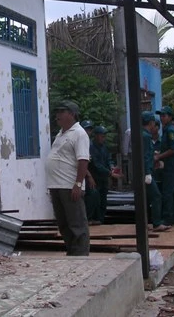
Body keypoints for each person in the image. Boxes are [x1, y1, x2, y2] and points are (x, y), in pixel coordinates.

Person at [45, 100, 90, 256]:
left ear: (71, 114)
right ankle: (71, 251)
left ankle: (81, 254)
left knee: (76, 222)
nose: (57, 115)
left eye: (61, 112)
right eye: (57, 112)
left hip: (69, 185)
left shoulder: (79, 134)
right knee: (63, 222)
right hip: (56, 185)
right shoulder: (61, 133)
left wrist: (78, 184)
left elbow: (83, 160)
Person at [142, 111, 171, 232]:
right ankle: (157, 223)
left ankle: (144, 223)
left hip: (145, 170)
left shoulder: (142, 134)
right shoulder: (146, 136)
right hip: (146, 172)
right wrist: (147, 172)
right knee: (156, 196)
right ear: (151, 122)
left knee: (145, 198)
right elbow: (145, 156)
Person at [154, 106, 174, 225]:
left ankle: (168, 217)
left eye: (164, 115)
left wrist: (159, 157)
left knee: (168, 192)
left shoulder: (170, 131)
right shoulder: (166, 130)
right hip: (171, 165)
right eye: (161, 115)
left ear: (170, 117)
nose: (162, 118)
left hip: (171, 166)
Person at [88, 126, 121, 225]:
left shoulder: (104, 147)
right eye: (101, 136)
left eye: (104, 136)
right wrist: (110, 173)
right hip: (96, 178)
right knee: (95, 199)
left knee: (103, 200)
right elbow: (96, 164)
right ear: (96, 136)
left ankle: (101, 219)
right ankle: (94, 218)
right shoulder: (91, 148)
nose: (103, 138)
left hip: (104, 178)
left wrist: (112, 167)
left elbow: (108, 159)